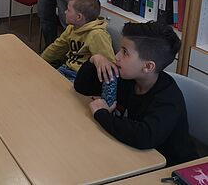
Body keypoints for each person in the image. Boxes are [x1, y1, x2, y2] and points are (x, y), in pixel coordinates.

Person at [74, 22, 198, 166]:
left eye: (125, 52)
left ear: (147, 66)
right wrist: (95, 60)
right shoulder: (128, 77)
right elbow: (82, 87)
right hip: (133, 154)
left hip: (170, 167)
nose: (117, 56)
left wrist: (102, 114)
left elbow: (144, 137)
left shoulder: (168, 99)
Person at [40, 0, 115, 82]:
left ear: (78, 17)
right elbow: (57, 48)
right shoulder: (71, 28)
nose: (65, 12)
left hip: (81, 76)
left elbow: (108, 65)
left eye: (68, 10)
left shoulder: (97, 35)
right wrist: (40, 60)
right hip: (66, 68)